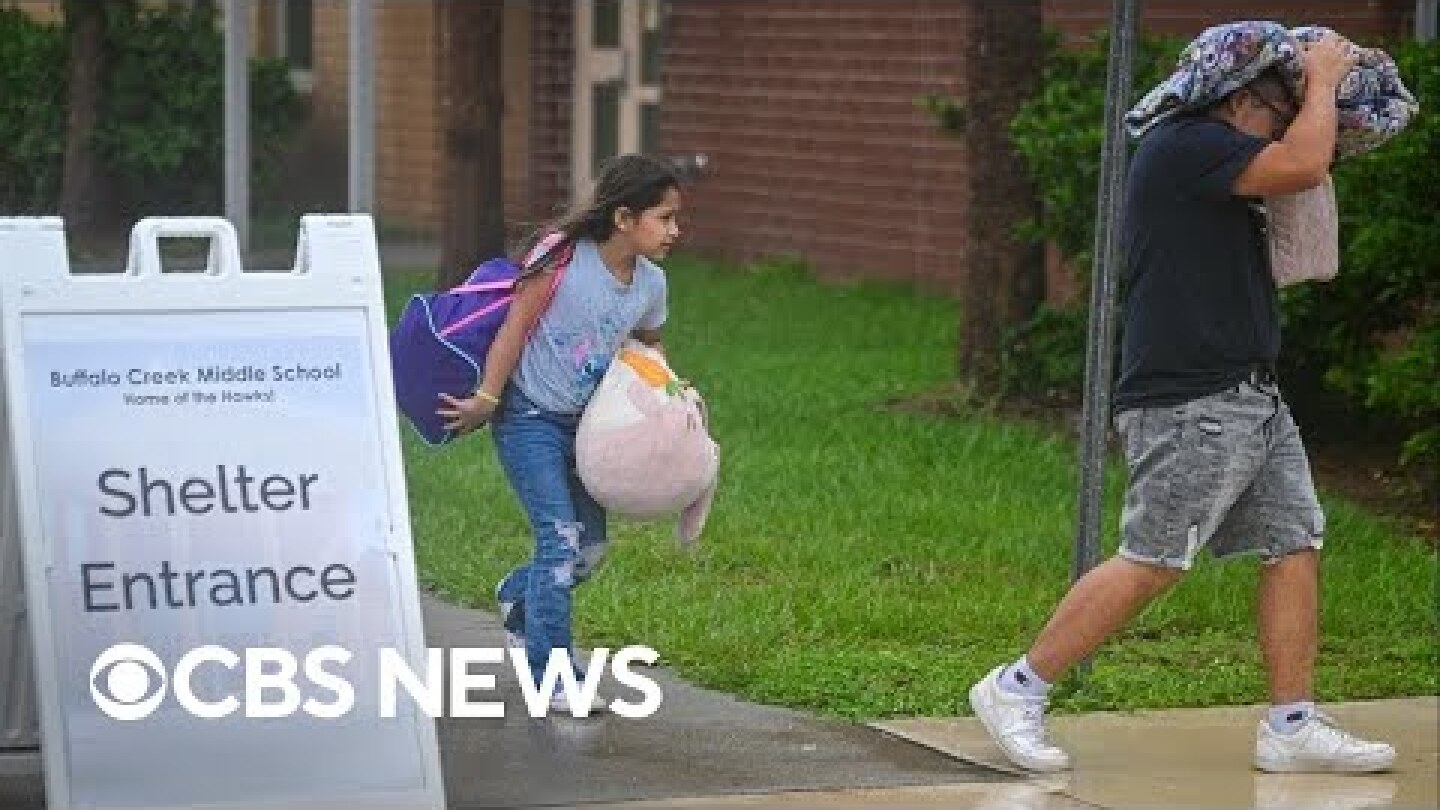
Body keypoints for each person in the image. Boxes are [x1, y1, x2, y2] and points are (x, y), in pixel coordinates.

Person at [968, 33, 1397, 774]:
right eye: (1277, 112)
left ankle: (1290, 725)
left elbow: (1299, 164)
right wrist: (1323, 80)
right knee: (1156, 559)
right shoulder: (1186, 144)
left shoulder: (1218, 152)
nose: (1285, 126)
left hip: (1248, 392)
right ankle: (1016, 687)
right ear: (1238, 100)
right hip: (1190, 398)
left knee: (1295, 542)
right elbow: (1303, 163)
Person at [437, 154, 682, 714]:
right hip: (528, 417)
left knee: (590, 552)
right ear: (624, 218)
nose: (675, 231)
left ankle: (518, 598)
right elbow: (515, 327)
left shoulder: (651, 285)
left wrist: (665, 397)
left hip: (587, 430)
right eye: (664, 218)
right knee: (561, 541)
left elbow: (648, 347)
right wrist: (487, 400)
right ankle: (552, 677)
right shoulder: (564, 258)